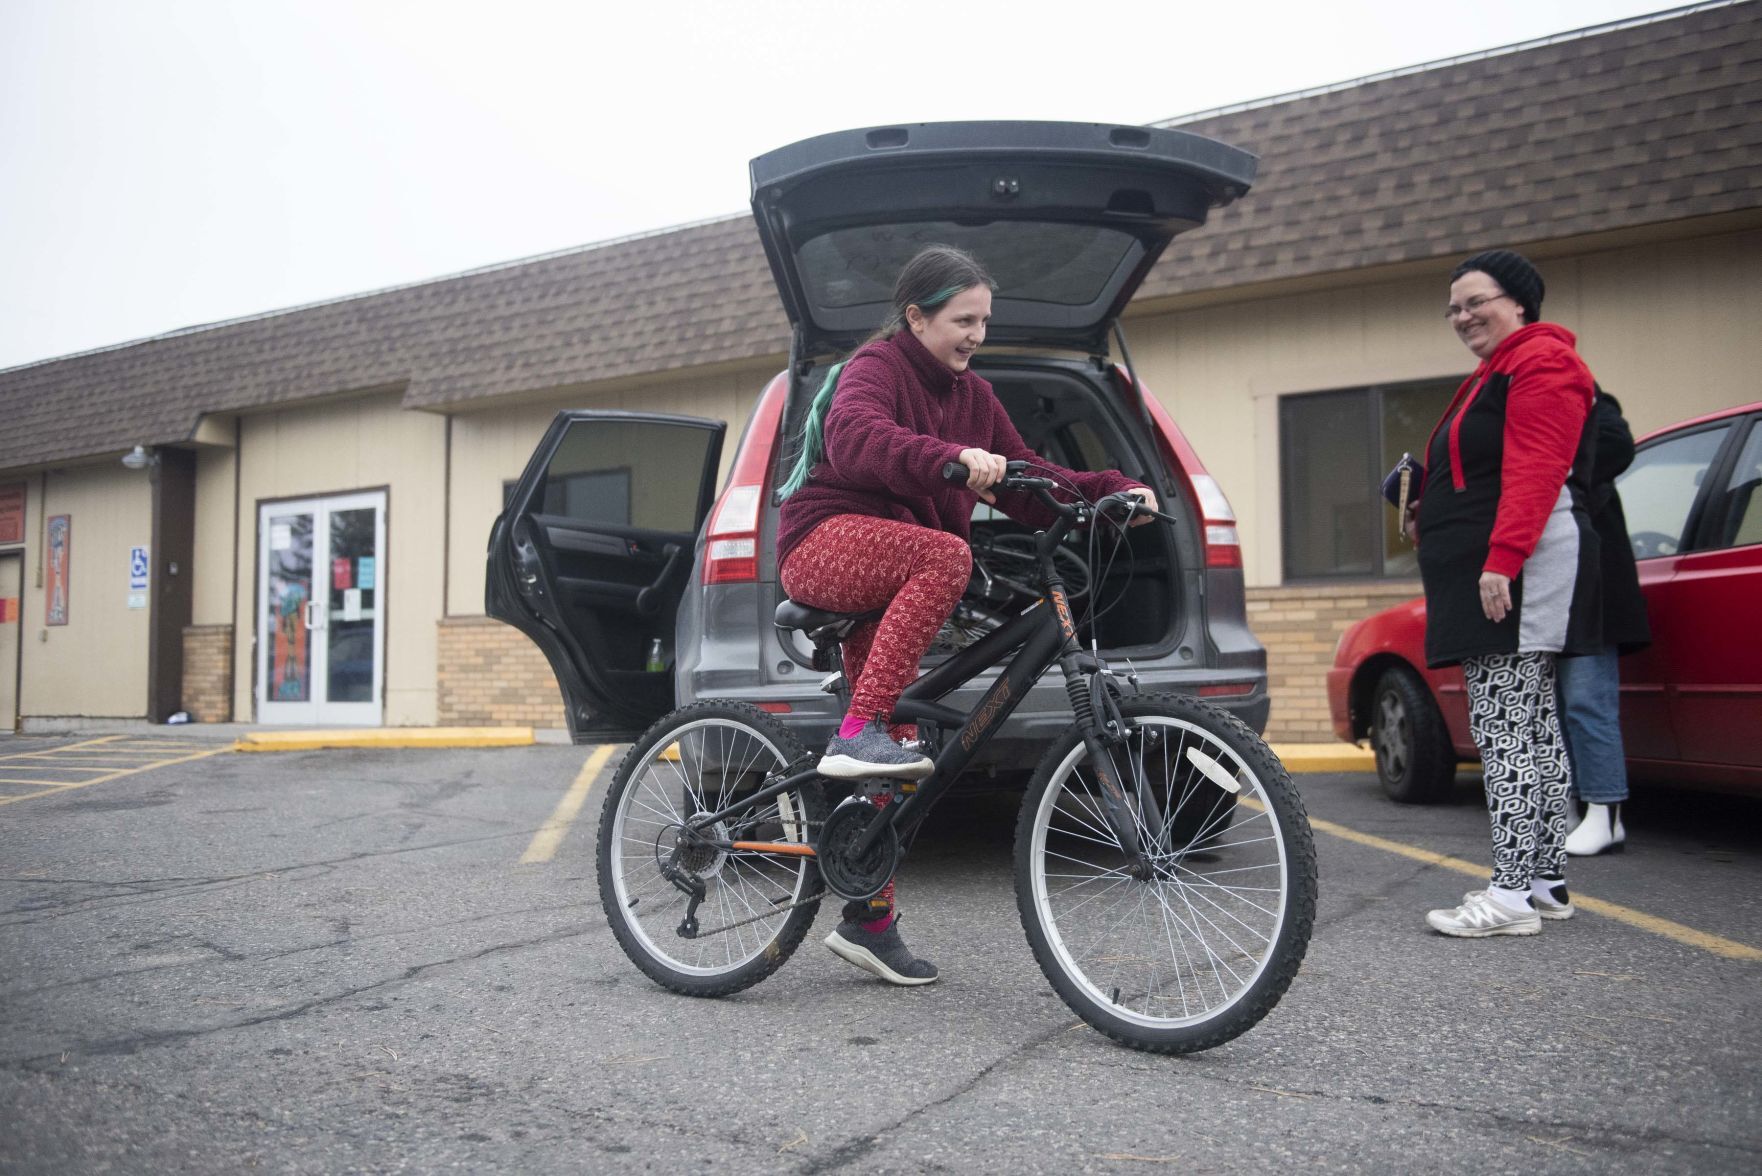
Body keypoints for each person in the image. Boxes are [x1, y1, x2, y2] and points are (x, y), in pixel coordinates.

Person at [775, 244, 1155, 983]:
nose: (977, 334)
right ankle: (859, 728)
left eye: (985, 319)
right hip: (824, 544)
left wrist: (1111, 490)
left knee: (908, 744)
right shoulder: (875, 370)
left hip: (891, 564)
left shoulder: (973, 396)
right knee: (943, 559)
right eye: (963, 319)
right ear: (915, 317)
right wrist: (947, 459)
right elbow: (855, 438)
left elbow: (1023, 477)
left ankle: (868, 920)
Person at [1410, 249, 1602, 938]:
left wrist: (1504, 559)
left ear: (1519, 301)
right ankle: (1545, 883)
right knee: (1533, 727)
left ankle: (1511, 897)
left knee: (1504, 732)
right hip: (1497, 564)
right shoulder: (1498, 370)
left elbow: (1537, 468)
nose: (1463, 316)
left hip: (1517, 564)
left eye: (1476, 301)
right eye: (1454, 308)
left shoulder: (1542, 361)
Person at [1561, 391, 1650, 855]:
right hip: (1549, 583)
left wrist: (1555, 473)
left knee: (1585, 699)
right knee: (1554, 706)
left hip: (1593, 584)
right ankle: (1569, 808)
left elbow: (1618, 442)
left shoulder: (1583, 394)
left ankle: (1605, 812)